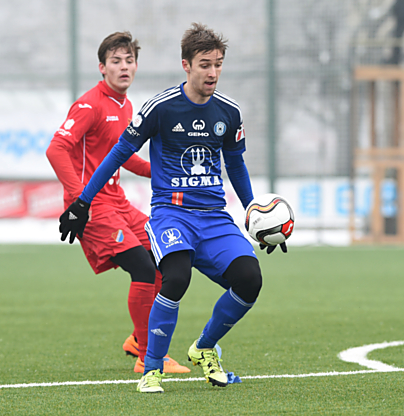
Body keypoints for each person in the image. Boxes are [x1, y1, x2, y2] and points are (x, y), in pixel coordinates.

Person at [59, 23, 287, 393]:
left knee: (250, 280)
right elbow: (119, 152)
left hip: (215, 217)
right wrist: (82, 200)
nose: (212, 72)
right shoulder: (160, 108)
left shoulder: (228, 112)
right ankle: (151, 369)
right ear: (187, 65)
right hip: (172, 214)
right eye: (204, 64)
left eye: (218, 64)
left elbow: (236, 165)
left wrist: (253, 214)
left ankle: (204, 348)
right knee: (176, 277)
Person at [46, 31, 189, 374]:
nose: (124, 67)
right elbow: (56, 149)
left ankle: (139, 340)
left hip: (119, 203)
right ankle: (147, 356)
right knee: (142, 268)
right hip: (93, 206)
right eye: (116, 61)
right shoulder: (88, 105)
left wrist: (167, 175)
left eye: (129, 60)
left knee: (163, 259)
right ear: (102, 68)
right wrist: (79, 200)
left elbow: (123, 158)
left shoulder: (125, 106)